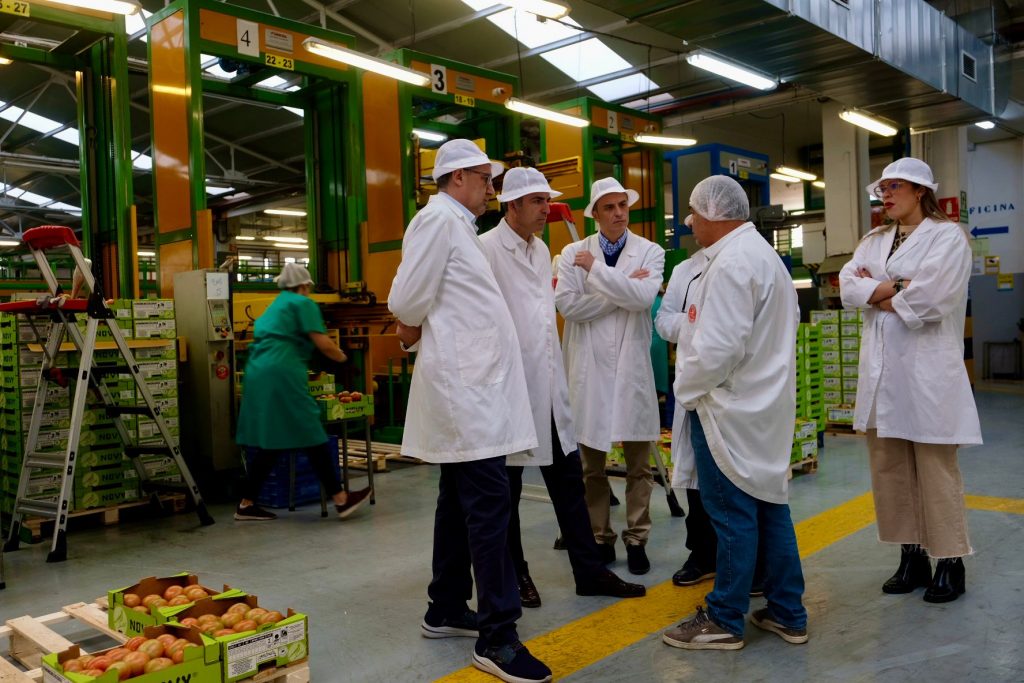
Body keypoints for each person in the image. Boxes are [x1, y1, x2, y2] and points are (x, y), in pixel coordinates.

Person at [388, 140, 551, 683]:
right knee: (489, 508)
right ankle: (498, 638)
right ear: (457, 178)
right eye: (485, 178)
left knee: (458, 505)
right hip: (469, 394)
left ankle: (446, 607)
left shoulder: (457, 225)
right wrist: (407, 326)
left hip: (477, 390)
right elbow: (408, 298)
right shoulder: (438, 221)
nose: (490, 187)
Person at [479, 167, 646, 609]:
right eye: (537, 202)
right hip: (512, 395)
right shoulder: (486, 250)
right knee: (506, 495)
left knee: (569, 488)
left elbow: (549, 318)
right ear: (512, 205)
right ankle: (517, 576)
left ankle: (589, 573)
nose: (546, 210)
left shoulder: (539, 249)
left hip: (550, 391)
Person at [661, 175, 807, 651]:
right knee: (770, 508)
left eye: (693, 213)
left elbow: (718, 347)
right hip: (764, 406)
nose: (689, 221)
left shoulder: (731, 264)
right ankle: (788, 612)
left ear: (715, 215)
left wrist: (685, 389)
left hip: (728, 409)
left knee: (731, 515)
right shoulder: (765, 258)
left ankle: (724, 618)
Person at [839, 157, 981, 603]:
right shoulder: (873, 240)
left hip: (927, 373)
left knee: (935, 470)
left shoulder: (948, 238)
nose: (886, 194)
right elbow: (847, 287)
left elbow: (933, 298)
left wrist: (880, 291)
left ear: (920, 190)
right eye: (882, 188)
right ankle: (911, 556)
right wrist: (897, 288)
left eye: (894, 187)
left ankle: (950, 561)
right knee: (890, 469)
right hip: (883, 374)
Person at [555, 177, 665, 576]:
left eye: (623, 205)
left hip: (632, 370)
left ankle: (637, 538)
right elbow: (568, 307)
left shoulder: (650, 251)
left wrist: (597, 275)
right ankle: (600, 537)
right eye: (610, 207)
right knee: (591, 468)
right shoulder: (571, 253)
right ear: (596, 214)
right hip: (591, 372)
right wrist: (619, 290)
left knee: (639, 467)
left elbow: (642, 300)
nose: (619, 213)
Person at [655, 224, 767, 595]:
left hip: (734, 389)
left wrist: (696, 324)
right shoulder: (685, 271)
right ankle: (702, 554)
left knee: (741, 482)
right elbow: (664, 320)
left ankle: (747, 567)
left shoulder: (739, 261)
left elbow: (733, 329)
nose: (691, 223)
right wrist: (697, 324)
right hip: (695, 385)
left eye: (697, 215)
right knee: (697, 480)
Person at [234, 263, 371, 522]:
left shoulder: (274, 305)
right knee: (310, 428)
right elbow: (322, 341)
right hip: (282, 372)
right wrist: (343, 360)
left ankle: (246, 503)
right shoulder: (302, 303)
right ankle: (341, 499)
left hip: (258, 373)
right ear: (304, 285)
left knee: (272, 437)